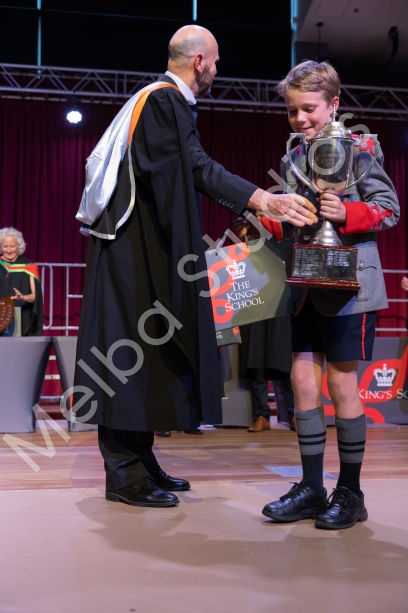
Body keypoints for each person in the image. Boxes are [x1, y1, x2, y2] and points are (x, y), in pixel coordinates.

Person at [73, 25, 317, 509]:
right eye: (217, 61)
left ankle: (141, 460)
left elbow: (182, 172)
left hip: (139, 249)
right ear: (200, 61)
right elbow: (195, 167)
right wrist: (262, 199)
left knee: (148, 357)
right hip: (131, 253)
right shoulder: (164, 100)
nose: (218, 70)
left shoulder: (158, 101)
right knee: (128, 357)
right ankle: (123, 473)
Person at [257, 61, 400, 529]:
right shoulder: (291, 159)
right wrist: (272, 220)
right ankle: (312, 488)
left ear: (333, 105)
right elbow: (291, 221)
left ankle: (351, 494)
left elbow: (389, 209)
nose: (300, 118)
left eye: (309, 109)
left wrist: (347, 214)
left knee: (341, 385)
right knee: (302, 382)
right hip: (304, 284)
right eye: (292, 110)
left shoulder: (361, 149)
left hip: (350, 285)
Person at [0, 227, 43, 336]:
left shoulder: (29, 267)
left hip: (22, 316)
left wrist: (23, 297)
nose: (8, 250)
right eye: (5, 246)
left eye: (12, 246)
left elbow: (35, 297)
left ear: (19, 246)